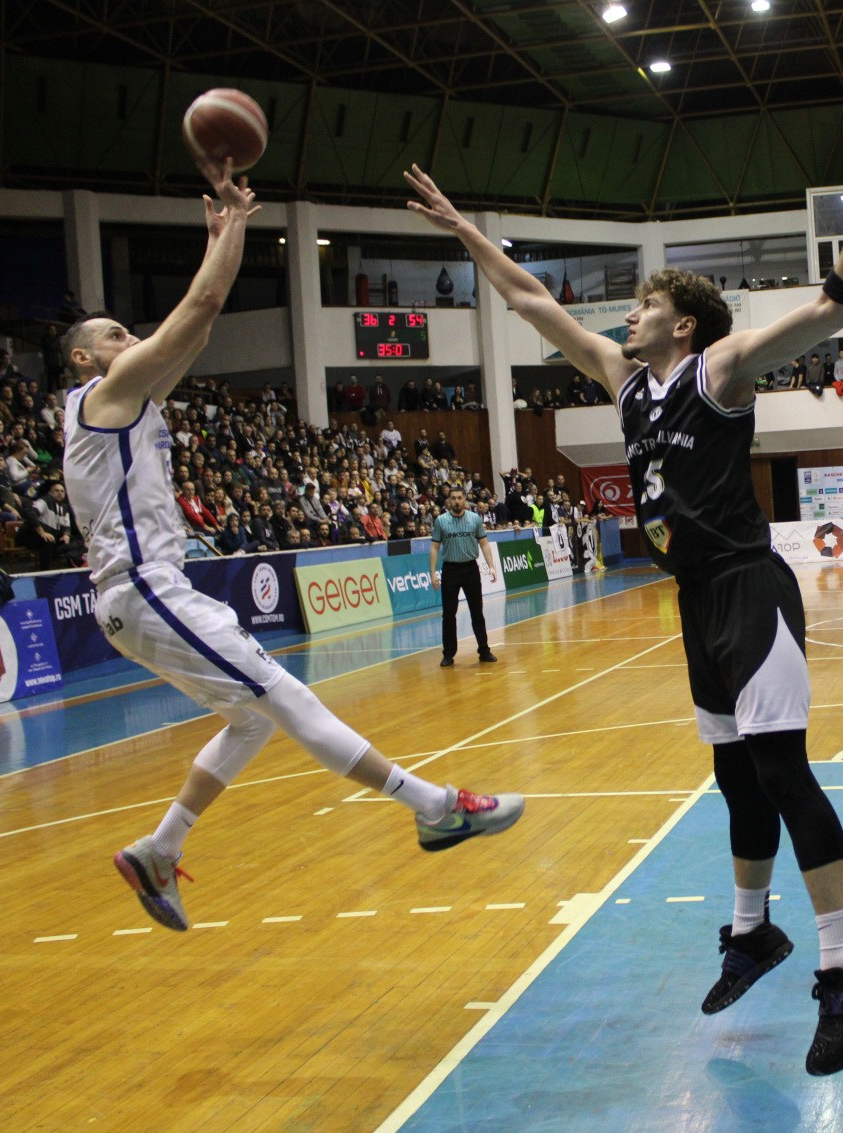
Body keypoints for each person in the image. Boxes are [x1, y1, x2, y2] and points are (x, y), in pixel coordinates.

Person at [404, 138, 843, 1077]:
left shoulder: (722, 367)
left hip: (750, 589)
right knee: (734, 780)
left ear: (682, 324)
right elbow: (532, 301)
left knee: (783, 774)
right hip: (694, 600)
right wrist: (464, 230)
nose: (627, 317)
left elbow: (832, 308)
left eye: (643, 306)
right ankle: (752, 933)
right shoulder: (623, 379)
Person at [61, 157, 522, 935]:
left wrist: (227, 235)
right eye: (114, 334)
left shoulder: (130, 401)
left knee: (251, 720)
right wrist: (233, 228)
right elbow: (201, 303)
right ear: (83, 358)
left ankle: (158, 849)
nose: (128, 337)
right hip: (144, 587)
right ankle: (435, 805)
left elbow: (201, 324)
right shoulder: (101, 397)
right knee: (286, 694)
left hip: (145, 593)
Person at [431, 487, 498, 666]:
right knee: (448, 614)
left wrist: (491, 566)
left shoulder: (475, 519)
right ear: (449, 500)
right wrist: (433, 572)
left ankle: (484, 650)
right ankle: (448, 654)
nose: (457, 501)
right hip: (450, 570)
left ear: (465, 499)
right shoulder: (441, 521)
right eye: (453, 498)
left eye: (460, 498)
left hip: (470, 569)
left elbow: (484, 544)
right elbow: (434, 547)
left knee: (477, 612)